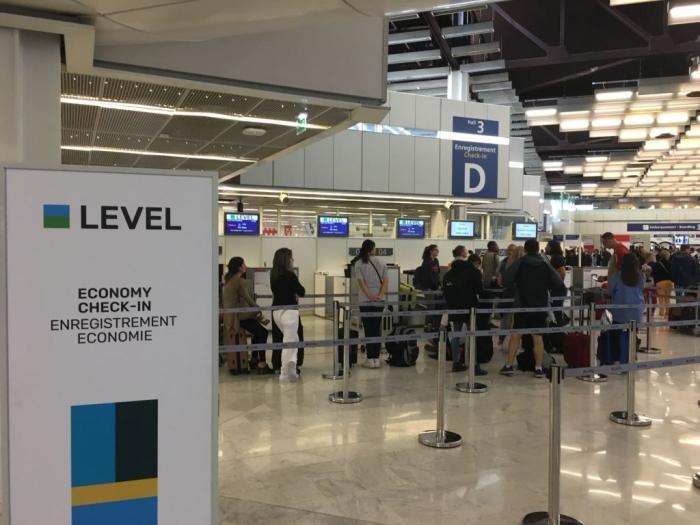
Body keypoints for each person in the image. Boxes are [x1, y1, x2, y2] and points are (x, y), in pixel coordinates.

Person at [500, 239, 564, 378]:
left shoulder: (520, 262)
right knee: (538, 338)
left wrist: (516, 284)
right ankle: (538, 368)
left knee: (516, 336)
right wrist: (545, 286)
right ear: (537, 249)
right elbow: (558, 282)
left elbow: (506, 279)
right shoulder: (545, 264)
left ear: (526, 249)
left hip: (521, 305)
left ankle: (509, 366)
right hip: (540, 306)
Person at [222, 257, 273, 375]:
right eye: (244, 264)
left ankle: (254, 359)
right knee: (263, 333)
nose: (246, 266)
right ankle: (261, 363)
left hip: (231, 317)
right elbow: (249, 300)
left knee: (257, 332)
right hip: (237, 318)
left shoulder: (230, 279)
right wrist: (258, 309)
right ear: (239, 267)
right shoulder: (238, 280)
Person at [443, 250, 483, 373]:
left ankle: (456, 363)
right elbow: (479, 289)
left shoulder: (448, 274)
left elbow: (444, 291)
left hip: (453, 308)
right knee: (472, 335)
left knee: (455, 335)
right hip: (470, 308)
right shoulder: (474, 272)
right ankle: (474, 365)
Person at [270, 248, 306, 381]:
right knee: (290, 342)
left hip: (276, 311)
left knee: (287, 340)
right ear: (286, 260)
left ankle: (289, 369)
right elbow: (302, 291)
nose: (293, 260)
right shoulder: (290, 275)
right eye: (291, 257)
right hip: (289, 311)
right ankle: (285, 373)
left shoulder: (273, 274)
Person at [354, 239, 388, 369]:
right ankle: (376, 358)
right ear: (372, 249)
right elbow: (386, 281)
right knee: (377, 327)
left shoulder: (359, 263)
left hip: (365, 300)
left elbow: (361, 283)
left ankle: (370, 359)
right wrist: (380, 295)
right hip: (379, 299)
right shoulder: (382, 262)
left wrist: (369, 296)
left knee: (368, 329)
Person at [608, 253, 645, 364]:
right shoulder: (640, 276)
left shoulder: (617, 276)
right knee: (632, 334)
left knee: (616, 334)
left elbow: (610, 291)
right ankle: (631, 356)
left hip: (620, 311)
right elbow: (641, 289)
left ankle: (617, 358)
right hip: (636, 311)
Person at [545, 240, 568, 326]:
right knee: (556, 312)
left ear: (551, 247)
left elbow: (561, 274)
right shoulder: (556, 257)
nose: (545, 247)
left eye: (547, 245)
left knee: (556, 313)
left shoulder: (556, 258)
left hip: (556, 290)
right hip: (557, 289)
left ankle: (559, 331)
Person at [652, 249, 673, 317]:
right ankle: (667, 313)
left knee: (661, 299)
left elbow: (653, 273)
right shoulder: (670, 263)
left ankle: (661, 313)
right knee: (668, 298)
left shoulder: (657, 264)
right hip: (669, 282)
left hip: (660, 282)